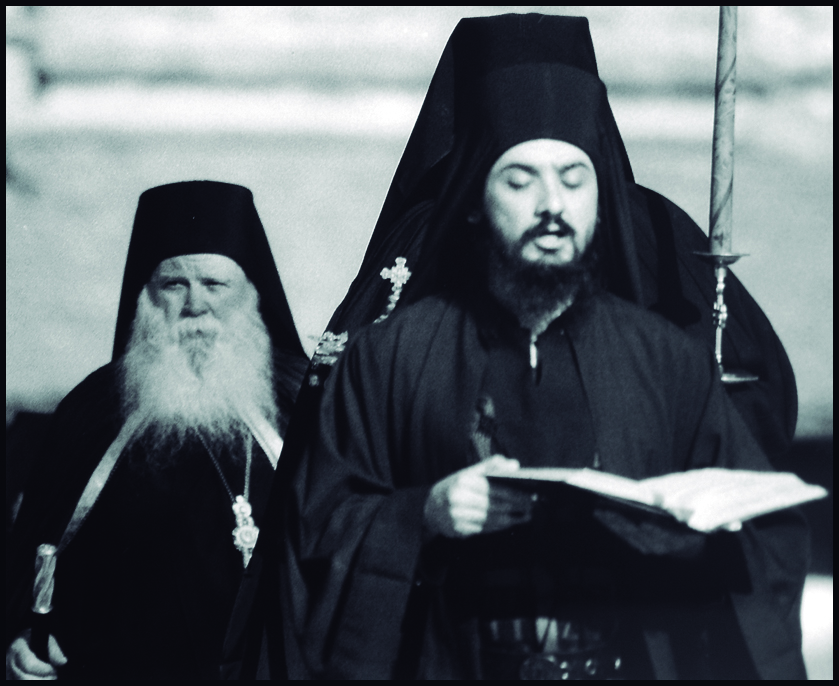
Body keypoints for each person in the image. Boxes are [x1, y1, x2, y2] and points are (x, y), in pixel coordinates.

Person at [258, 15, 808, 680]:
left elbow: (766, 540)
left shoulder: (664, 359)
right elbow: (314, 530)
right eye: (520, 181)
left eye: (573, 180)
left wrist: (691, 534)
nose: (552, 206)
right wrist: (420, 515)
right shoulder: (391, 357)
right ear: (473, 200)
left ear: (600, 199)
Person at [5, 181, 309, 679]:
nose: (195, 304)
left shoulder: (304, 402)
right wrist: (20, 641)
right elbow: (31, 568)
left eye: (214, 284)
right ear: (145, 297)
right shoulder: (93, 410)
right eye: (173, 284)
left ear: (251, 294)